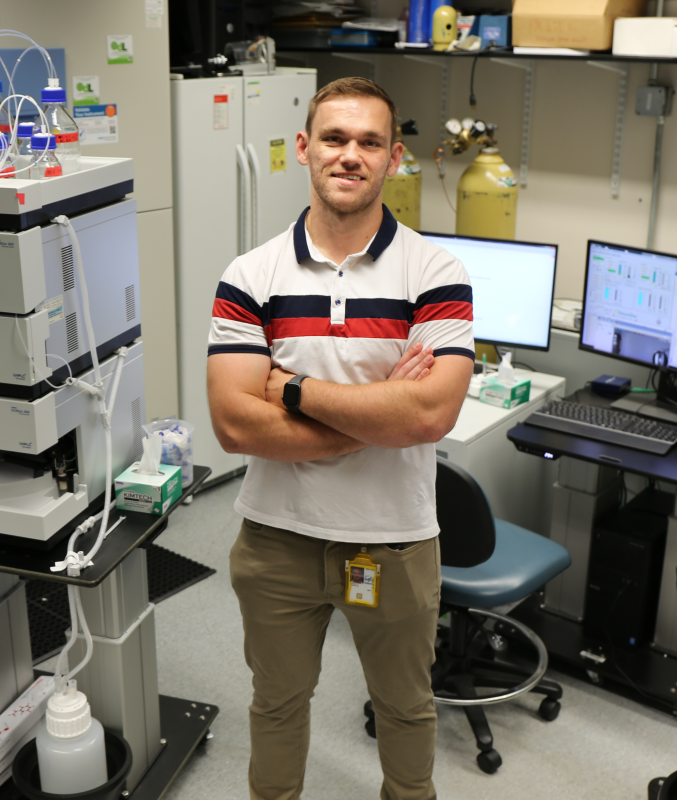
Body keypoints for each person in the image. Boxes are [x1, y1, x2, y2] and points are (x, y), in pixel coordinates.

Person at [206, 77, 475, 800]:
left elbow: (427, 417)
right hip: (276, 539)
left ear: (393, 157)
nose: (349, 155)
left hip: (394, 540)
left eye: (369, 142)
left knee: (406, 709)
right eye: (334, 138)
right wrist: (372, 413)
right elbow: (233, 424)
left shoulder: (435, 272)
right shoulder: (250, 277)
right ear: (304, 148)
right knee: (277, 705)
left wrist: (292, 391)